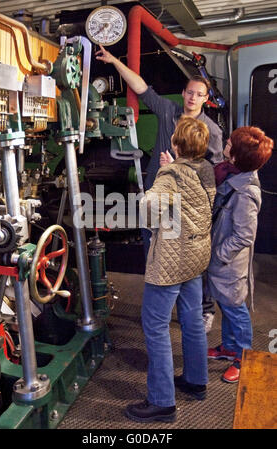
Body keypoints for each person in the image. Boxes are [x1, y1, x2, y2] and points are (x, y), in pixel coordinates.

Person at [96, 45, 222, 332]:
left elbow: (212, 175)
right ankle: (161, 308)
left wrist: (178, 165)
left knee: (191, 262)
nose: (191, 97)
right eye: (189, 92)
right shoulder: (168, 111)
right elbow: (141, 87)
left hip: (186, 208)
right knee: (154, 254)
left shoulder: (210, 131)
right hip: (157, 201)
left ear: (206, 99)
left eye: (198, 94)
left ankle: (203, 310)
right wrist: (116, 61)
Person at [122, 115, 216, 423]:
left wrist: (164, 174)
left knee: (156, 326)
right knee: (191, 319)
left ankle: (162, 402)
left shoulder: (171, 175)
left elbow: (148, 211)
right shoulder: (206, 169)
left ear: (176, 144)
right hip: (196, 254)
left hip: (171, 260)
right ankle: (195, 380)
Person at [206, 126, 273, 383]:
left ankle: (244, 357)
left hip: (229, 264)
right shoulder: (231, 172)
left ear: (236, 156)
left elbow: (244, 236)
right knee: (225, 305)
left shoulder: (246, 192)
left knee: (235, 309)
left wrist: (218, 256)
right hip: (222, 261)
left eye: (230, 142)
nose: (226, 142)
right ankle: (228, 348)